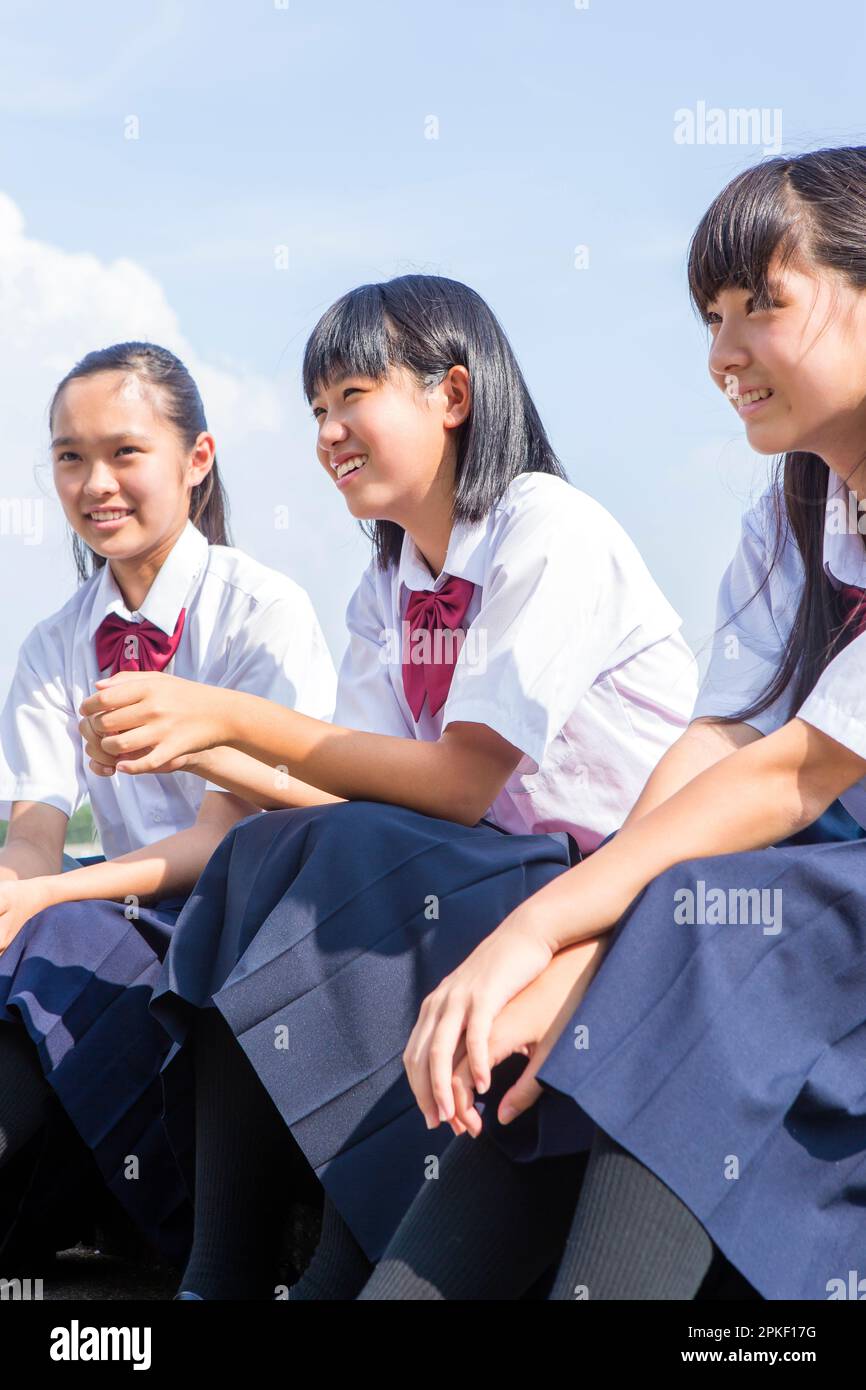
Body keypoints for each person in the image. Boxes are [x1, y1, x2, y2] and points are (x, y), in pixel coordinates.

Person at [81, 273, 698, 1299]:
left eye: (351, 397)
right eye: (317, 411)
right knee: (259, 850)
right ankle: (221, 1264)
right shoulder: (390, 578)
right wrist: (190, 745)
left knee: (329, 858)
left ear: (450, 396)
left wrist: (224, 712)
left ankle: (317, 1257)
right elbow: (357, 799)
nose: (327, 433)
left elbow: (457, 783)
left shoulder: (546, 527)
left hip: (604, 891)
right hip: (493, 871)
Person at [385, 146, 866, 1303]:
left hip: (827, 854)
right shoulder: (789, 505)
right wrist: (588, 939)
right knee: (645, 935)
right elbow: (715, 742)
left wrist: (534, 933)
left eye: (762, 304)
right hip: (822, 851)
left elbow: (793, 773)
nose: (722, 354)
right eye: (710, 315)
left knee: (706, 926)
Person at [0, 341, 337, 1268]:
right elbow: (33, 831)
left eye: (124, 452)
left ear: (197, 460)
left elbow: (219, 838)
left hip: (234, 926)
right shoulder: (55, 643)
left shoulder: (262, 611)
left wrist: (46, 899)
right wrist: (12, 890)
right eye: (70, 457)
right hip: (113, 910)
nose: (95, 482)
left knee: (52, 939)